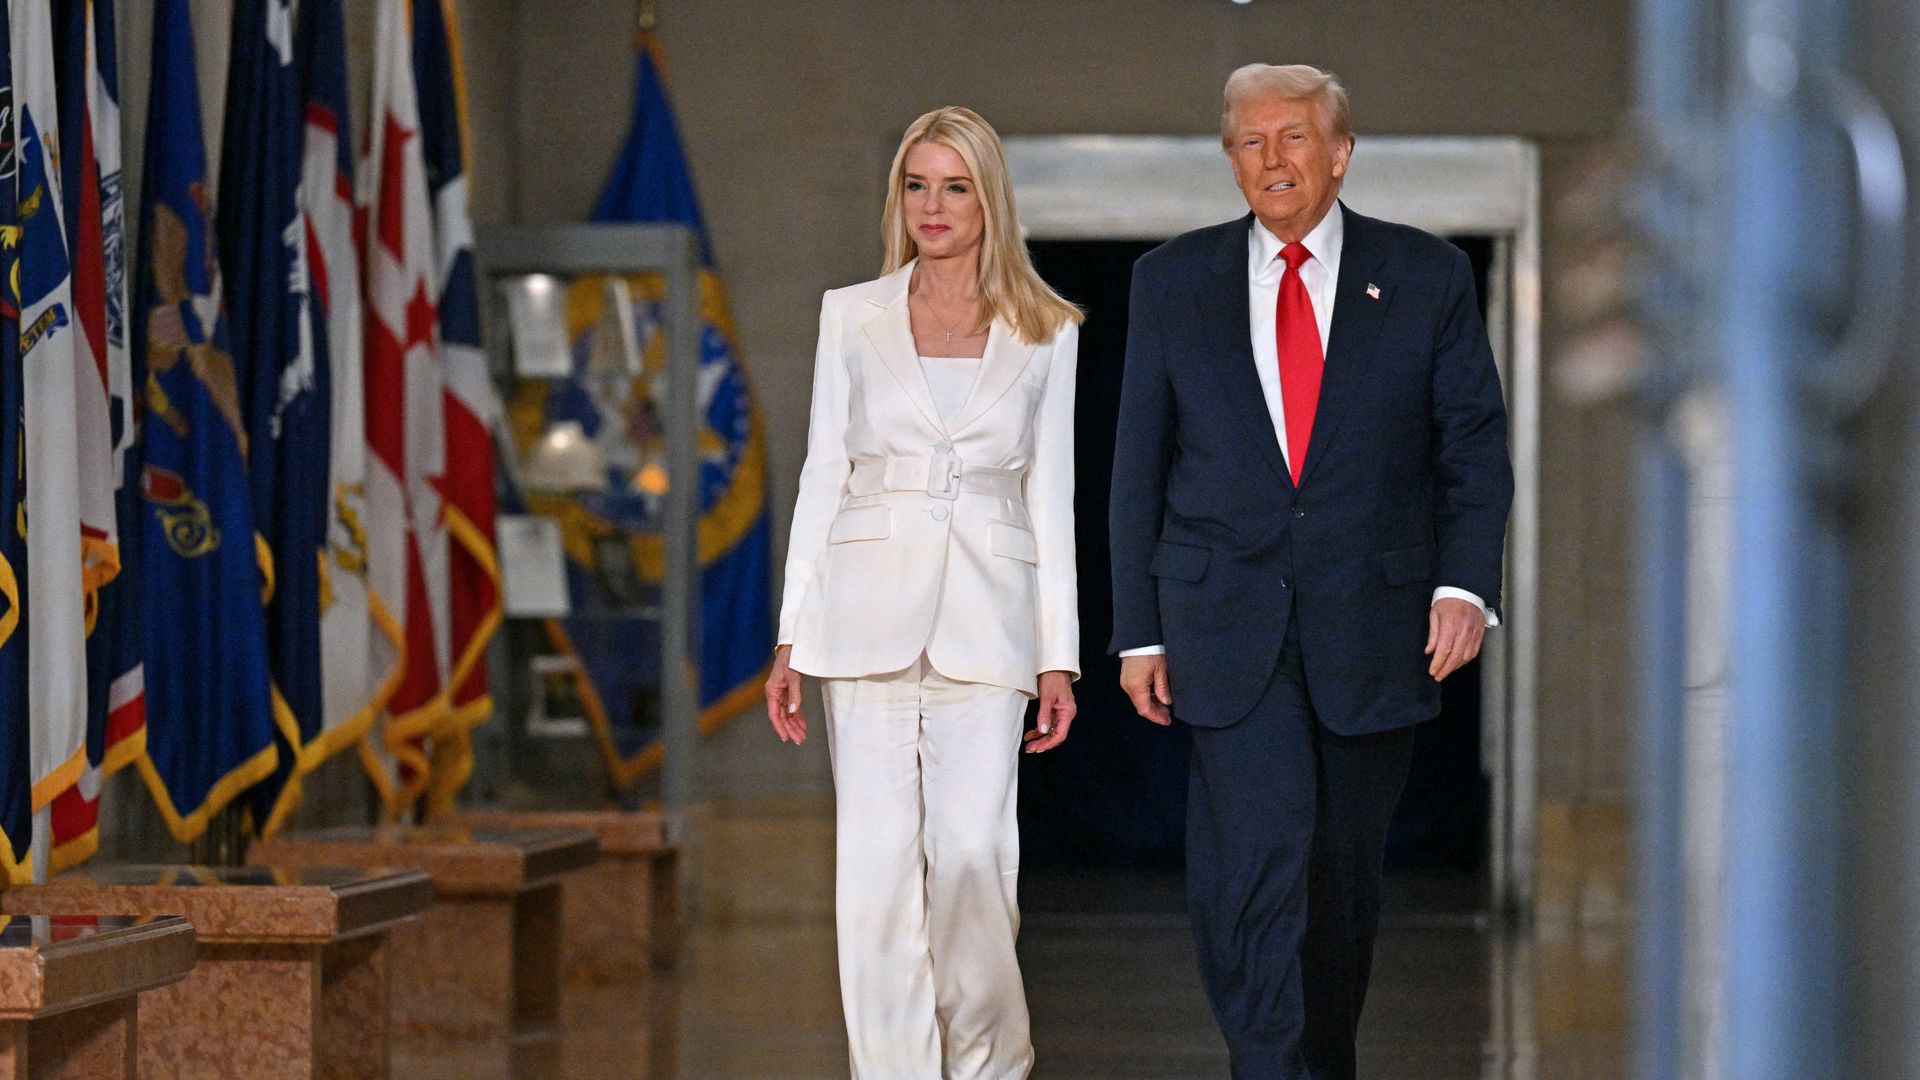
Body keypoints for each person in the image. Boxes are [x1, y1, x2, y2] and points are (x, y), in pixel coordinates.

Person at [1109, 64, 1513, 1079]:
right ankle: (1268, 1066)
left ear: (1339, 153)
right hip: (1221, 624)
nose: (1272, 159)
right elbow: (1136, 469)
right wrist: (1138, 630)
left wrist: (1465, 588)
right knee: (1254, 863)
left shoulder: (1423, 277)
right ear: (1230, 160)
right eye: (1251, 141)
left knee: (1340, 883)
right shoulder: (1171, 281)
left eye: (1294, 138)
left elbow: (1472, 445)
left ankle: (1315, 1060)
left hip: (1375, 624)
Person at [765, 105, 1083, 1079]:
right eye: (917, 184)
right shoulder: (848, 313)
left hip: (990, 623)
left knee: (977, 857)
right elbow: (824, 472)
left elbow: (1053, 496)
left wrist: (1057, 652)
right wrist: (792, 635)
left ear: (989, 201)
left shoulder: (1048, 329)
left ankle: (992, 1062)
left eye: (955, 187)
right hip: (861, 615)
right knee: (873, 879)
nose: (933, 207)